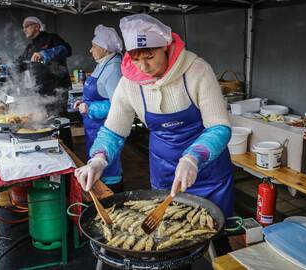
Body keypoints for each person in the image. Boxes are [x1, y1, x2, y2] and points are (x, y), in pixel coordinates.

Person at [75, 15, 234, 254]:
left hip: (208, 172)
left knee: (217, 236)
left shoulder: (196, 70)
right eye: (136, 58)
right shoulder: (129, 82)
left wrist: (192, 158)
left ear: (166, 47)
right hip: (164, 172)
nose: (143, 67)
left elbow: (219, 127)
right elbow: (112, 130)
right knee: (170, 240)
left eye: (150, 57)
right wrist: (98, 159)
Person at [74, 25, 124, 193]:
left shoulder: (114, 69)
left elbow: (119, 106)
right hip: (93, 127)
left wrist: (90, 108)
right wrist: (83, 102)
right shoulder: (103, 64)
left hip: (105, 127)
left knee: (108, 166)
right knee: (97, 162)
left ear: (104, 48)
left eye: (94, 46)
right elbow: (99, 93)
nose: (90, 50)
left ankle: (112, 196)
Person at [15, 16, 74, 149]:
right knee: (44, 122)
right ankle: (51, 149)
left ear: (36, 26)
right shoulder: (30, 47)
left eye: (27, 26)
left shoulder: (52, 38)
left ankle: (69, 151)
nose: (24, 29)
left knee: (60, 121)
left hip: (57, 90)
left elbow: (67, 49)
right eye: (23, 27)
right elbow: (19, 64)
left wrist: (45, 53)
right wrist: (2, 68)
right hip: (40, 91)